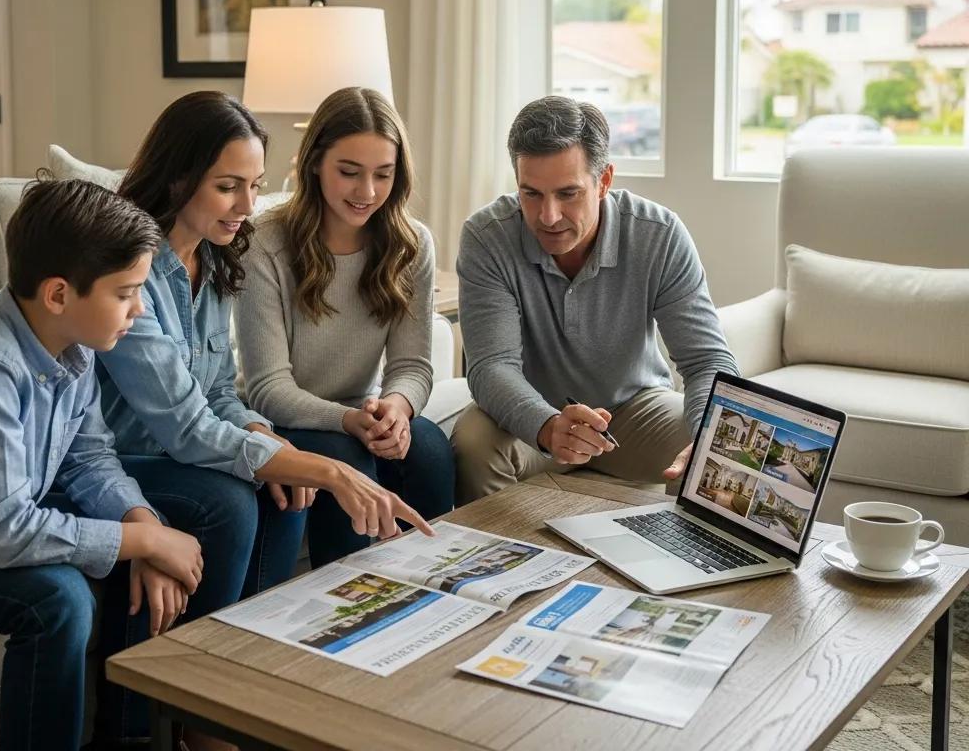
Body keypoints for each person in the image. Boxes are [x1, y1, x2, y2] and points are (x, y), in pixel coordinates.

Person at [97, 91, 433, 598]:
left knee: (307, 479)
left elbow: (218, 393)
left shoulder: (213, 260)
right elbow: (189, 424)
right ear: (178, 177)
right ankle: (236, 648)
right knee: (241, 495)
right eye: (228, 187)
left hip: (185, 446)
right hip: (128, 456)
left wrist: (264, 435)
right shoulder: (128, 274)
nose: (248, 206)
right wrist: (321, 467)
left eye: (253, 186)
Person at [0, 177, 207, 751]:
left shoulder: (75, 345)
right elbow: (5, 533)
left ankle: (135, 735)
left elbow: (88, 458)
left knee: (184, 510)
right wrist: (143, 544)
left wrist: (140, 520)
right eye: (126, 292)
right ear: (60, 293)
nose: (140, 309)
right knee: (58, 597)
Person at [451, 95, 739, 504]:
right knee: (475, 440)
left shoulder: (658, 234)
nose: (548, 216)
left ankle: (680, 563)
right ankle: (504, 563)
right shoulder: (487, 237)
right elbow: (491, 367)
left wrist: (713, 439)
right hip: (535, 415)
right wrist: (548, 425)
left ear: (604, 181)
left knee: (706, 446)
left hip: (636, 409)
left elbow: (706, 360)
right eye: (531, 194)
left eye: (568, 194)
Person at [236, 86, 455, 567]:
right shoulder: (263, 244)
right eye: (349, 172)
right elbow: (267, 387)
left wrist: (397, 408)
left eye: (383, 174)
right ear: (315, 163)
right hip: (288, 418)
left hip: (364, 411)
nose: (368, 192)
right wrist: (348, 420)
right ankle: (340, 601)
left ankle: (440, 584)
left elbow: (413, 364)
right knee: (346, 456)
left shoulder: (411, 244)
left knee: (431, 449)